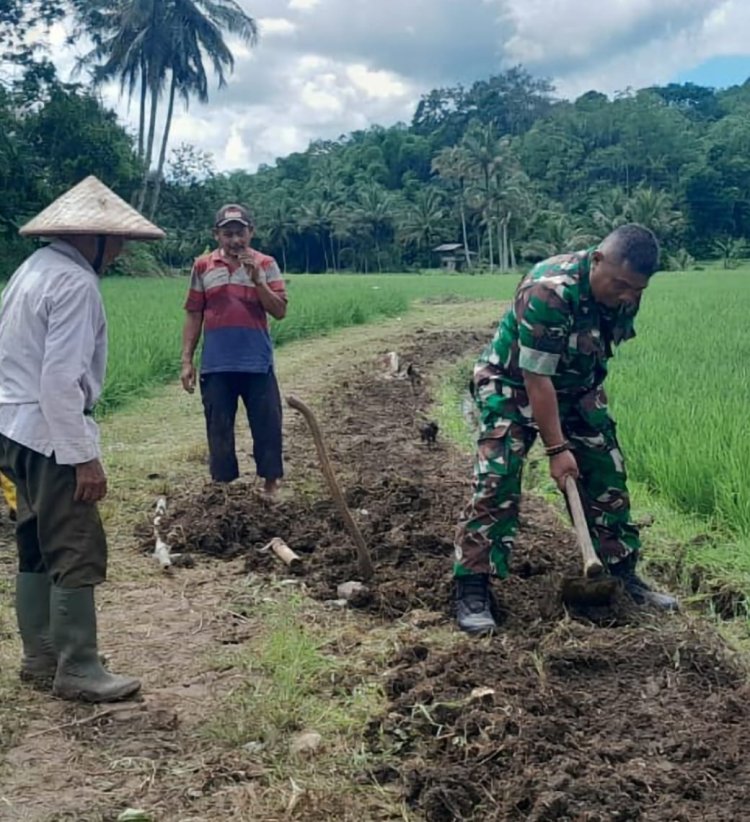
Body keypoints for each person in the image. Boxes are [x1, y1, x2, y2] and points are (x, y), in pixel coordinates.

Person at [453, 224, 678, 636]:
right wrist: (557, 450)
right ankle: (473, 586)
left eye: (638, 290)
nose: (628, 296)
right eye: (622, 285)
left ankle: (622, 573)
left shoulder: (625, 296)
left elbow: (590, 358)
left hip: (576, 388)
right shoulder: (548, 290)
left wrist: (582, 437)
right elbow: (537, 379)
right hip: (512, 383)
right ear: (597, 260)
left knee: (607, 472)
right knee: (498, 478)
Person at [0, 175, 165, 700]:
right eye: (115, 241)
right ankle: (78, 668)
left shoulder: (31, 270)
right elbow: (58, 379)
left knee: (34, 540)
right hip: (49, 432)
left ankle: (40, 656)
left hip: (11, 429)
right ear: (90, 239)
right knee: (76, 544)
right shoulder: (75, 283)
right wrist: (83, 458)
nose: (118, 252)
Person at [180, 204, 288, 497]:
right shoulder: (203, 266)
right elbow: (193, 313)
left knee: (267, 424)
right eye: (228, 234)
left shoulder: (266, 264)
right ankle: (223, 490)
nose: (235, 240)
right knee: (218, 428)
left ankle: (270, 485)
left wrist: (258, 282)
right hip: (216, 364)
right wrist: (187, 360)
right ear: (217, 235)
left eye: (240, 233)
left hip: (257, 361)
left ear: (251, 233)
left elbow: (279, 311)